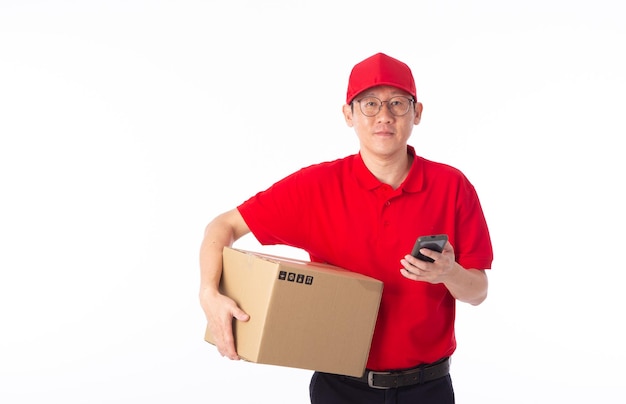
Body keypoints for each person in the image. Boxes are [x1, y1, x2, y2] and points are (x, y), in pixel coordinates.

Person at [199, 52, 493, 404]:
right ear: (348, 114)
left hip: (428, 387)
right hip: (339, 388)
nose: (384, 116)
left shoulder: (452, 186)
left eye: (398, 103)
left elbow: (477, 292)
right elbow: (223, 226)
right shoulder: (316, 187)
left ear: (417, 113)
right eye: (369, 104)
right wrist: (209, 294)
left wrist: (449, 272)